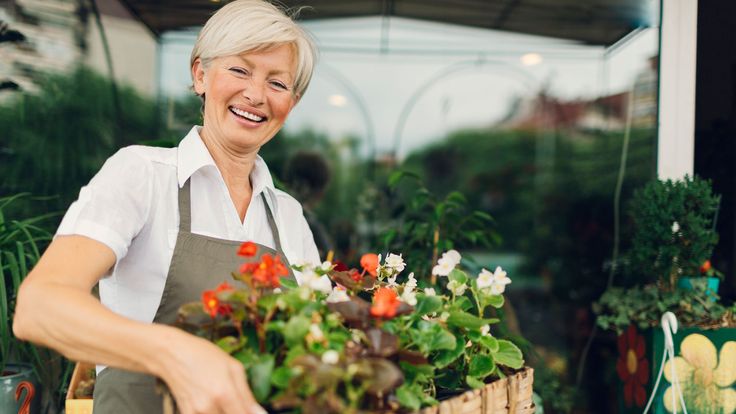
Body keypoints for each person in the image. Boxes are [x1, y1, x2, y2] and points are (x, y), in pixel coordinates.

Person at [13, 1, 321, 413]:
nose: (255, 94)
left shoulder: (288, 215)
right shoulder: (141, 174)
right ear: (200, 74)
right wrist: (175, 354)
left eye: (277, 84)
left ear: (292, 103)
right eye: (239, 70)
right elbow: (39, 307)